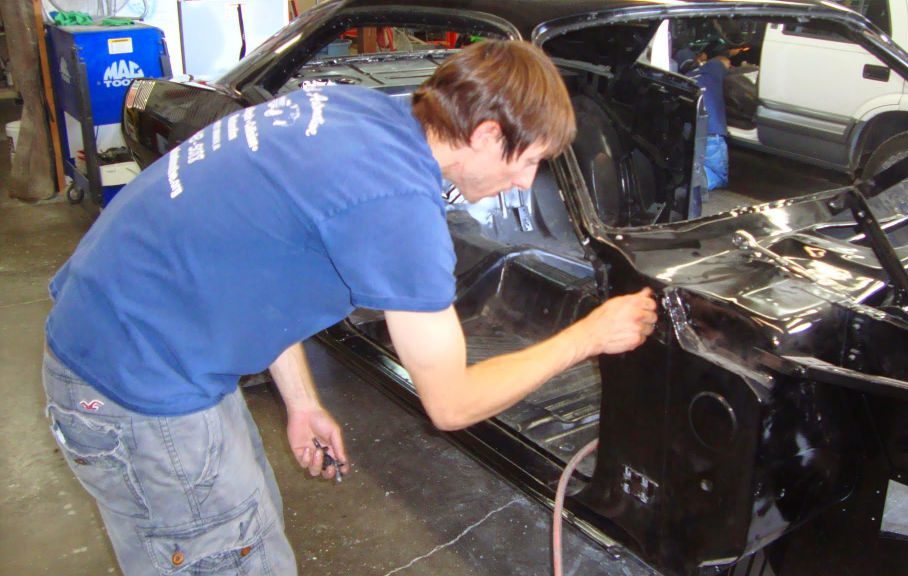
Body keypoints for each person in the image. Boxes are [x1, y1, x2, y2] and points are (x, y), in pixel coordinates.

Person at [42, 40, 657, 575]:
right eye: (528, 162)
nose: (527, 183)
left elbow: (257, 260)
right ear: (487, 135)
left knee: (244, 531)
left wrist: (303, 401)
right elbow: (452, 403)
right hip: (135, 386)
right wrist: (588, 336)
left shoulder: (352, 109)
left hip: (125, 333)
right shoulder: (396, 205)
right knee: (231, 555)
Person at [688, 35, 734, 194]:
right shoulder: (715, 66)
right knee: (718, 176)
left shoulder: (689, 75)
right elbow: (722, 62)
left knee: (697, 161)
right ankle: (693, 183)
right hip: (712, 132)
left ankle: (689, 177)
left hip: (692, 129)